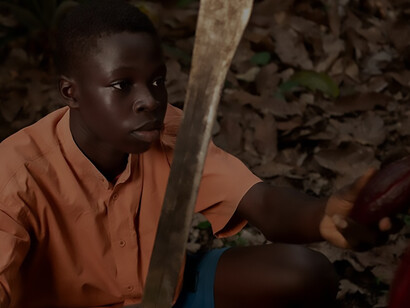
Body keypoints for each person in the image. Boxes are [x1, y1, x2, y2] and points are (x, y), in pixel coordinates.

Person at [0, 1, 391, 307]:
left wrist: (324, 216)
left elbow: (263, 202)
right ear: (71, 93)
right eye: (122, 85)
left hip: (164, 296)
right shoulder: (16, 175)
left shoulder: (169, 132)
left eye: (157, 81)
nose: (149, 100)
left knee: (304, 273)